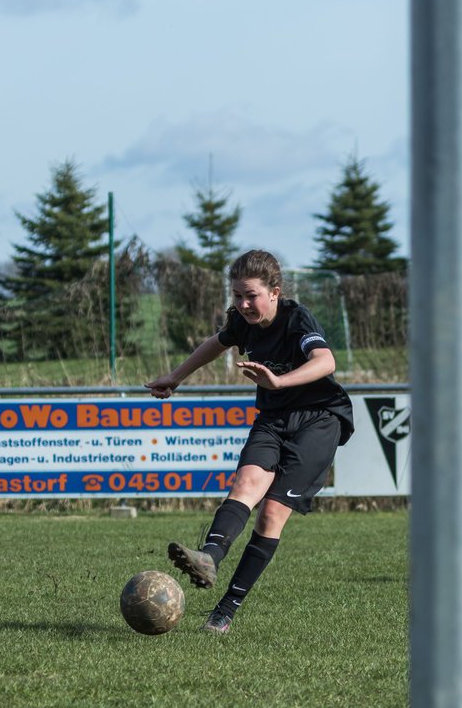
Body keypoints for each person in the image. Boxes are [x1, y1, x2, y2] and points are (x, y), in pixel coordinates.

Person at [146, 249, 354, 633]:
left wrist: (279, 381)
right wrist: (175, 377)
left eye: (252, 295)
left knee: (272, 513)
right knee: (246, 483)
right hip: (274, 417)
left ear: (274, 291)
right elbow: (217, 342)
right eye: (237, 296)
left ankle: (226, 609)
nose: (243, 304)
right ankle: (208, 557)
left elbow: (326, 362)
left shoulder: (296, 318)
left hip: (319, 420)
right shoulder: (241, 322)